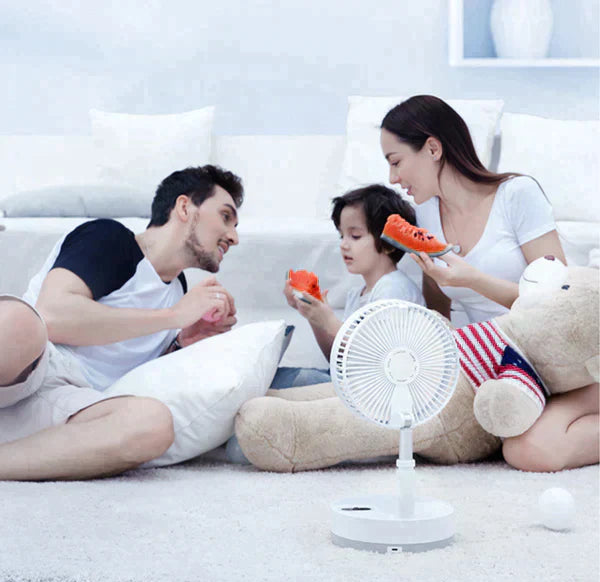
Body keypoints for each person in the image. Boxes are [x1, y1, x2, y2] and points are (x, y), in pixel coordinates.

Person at [379, 94, 598, 472]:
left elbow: (561, 307)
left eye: (396, 161)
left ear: (432, 148)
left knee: (528, 451)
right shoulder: (425, 215)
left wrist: (473, 280)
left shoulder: (517, 195)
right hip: (502, 367)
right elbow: (439, 312)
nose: (392, 178)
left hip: (566, 362)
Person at [0, 165, 243, 481]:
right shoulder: (110, 239)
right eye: (225, 217)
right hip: (26, 368)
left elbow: (130, 367)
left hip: (72, 401)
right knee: (18, 323)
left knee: (153, 423)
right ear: (185, 207)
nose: (234, 237)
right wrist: (173, 317)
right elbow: (53, 316)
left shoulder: (177, 291)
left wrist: (181, 341)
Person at [272, 184, 425, 389]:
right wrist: (314, 317)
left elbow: (381, 361)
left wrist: (330, 322)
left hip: (376, 390)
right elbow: (338, 361)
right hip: (350, 383)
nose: (344, 244)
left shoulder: (394, 289)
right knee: (280, 376)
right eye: (341, 235)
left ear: (389, 244)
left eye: (355, 236)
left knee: (291, 381)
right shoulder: (357, 295)